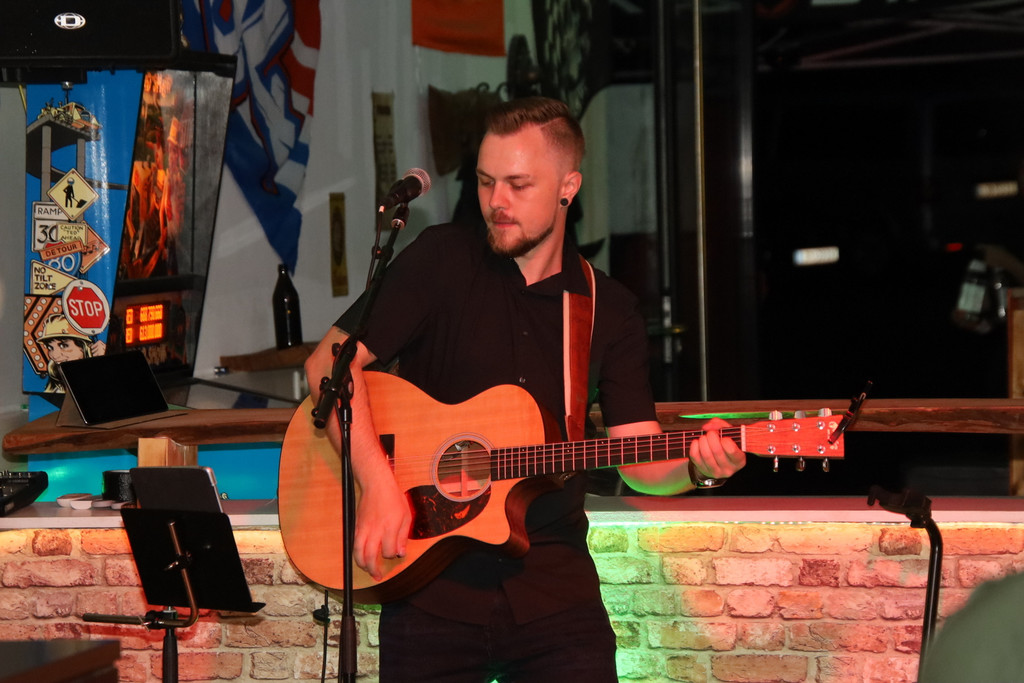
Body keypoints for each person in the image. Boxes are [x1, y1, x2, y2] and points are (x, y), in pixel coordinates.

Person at [304, 96, 747, 682]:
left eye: (518, 184)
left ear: (568, 187)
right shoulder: (441, 259)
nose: (496, 201)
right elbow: (329, 365)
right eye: (486, 181)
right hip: (428, 588)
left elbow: (638, 456)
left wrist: (698, 466)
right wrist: (377, 483)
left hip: (554, 597)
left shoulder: (607, 308)